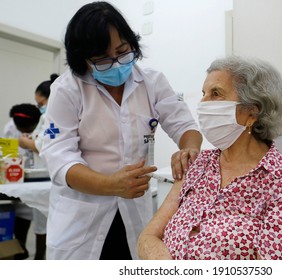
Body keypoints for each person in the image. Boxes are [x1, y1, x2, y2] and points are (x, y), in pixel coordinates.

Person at [40, 1, 202, 260]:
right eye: (102, 60)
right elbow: (60, 160)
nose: (116, 64)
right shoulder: (67, 89)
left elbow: (185, 126)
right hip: (81, 221)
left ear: (132, 43)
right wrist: (110, 185)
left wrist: (190, 148)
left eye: (123, 51)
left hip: (133, 213)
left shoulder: (152, 82)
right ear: (83, 59)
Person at [138, 56, 282, 260]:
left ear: (252, 112)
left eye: (215, 94)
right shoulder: (197, 166)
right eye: (203, 94)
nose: (202, 104)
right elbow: (148, 237)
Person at [16, 74, 59, 260]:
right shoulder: (49, 116)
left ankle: (40, 260)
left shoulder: (51, 115)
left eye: (40, 103)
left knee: (45, 225)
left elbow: (44, 145)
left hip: (51, 178)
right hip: (47, 174)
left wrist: (25, 143)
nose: (39, 108)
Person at [6, 103, 42, 259]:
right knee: (21, 211)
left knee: (41, 219)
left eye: (29, 129)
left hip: (40, 178)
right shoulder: (10, 128)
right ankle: (20, 248)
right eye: (22, 130)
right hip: (19, 177)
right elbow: (7, 154)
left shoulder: (43, 125)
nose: (25, 133)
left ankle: (40, 256)